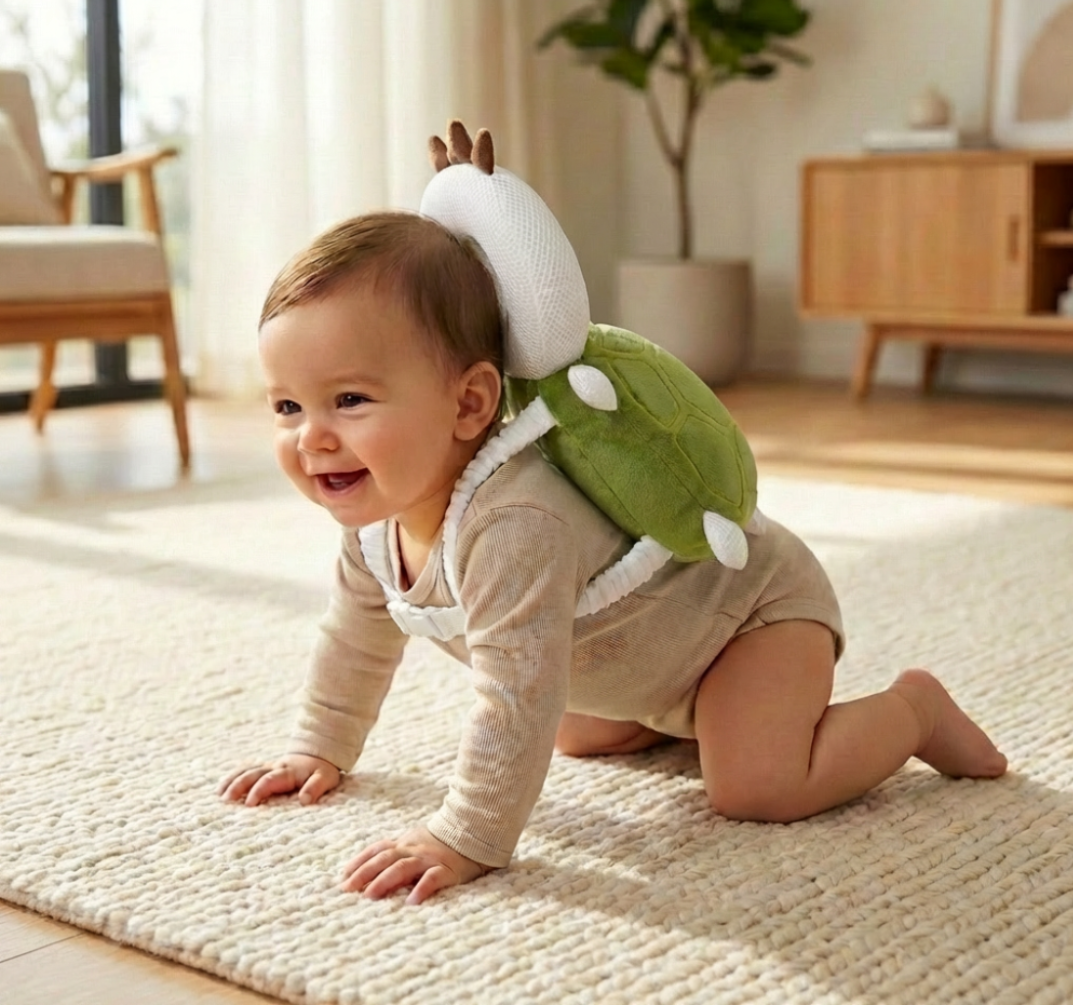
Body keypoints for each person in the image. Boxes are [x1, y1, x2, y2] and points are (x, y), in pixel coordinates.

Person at [219, 210, 1007, 906]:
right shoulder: (374, 523)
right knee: (576, 732)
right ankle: (684, 719)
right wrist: (318, 747)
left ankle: (914, 710)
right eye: (287, 405)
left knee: (756, 786)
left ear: (470, 403)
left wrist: (466, 835)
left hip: (749, 620)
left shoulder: (514, 523)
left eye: (349, 401)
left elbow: (513, 697)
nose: (311, 437)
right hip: (647, 656)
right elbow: (357, 637)